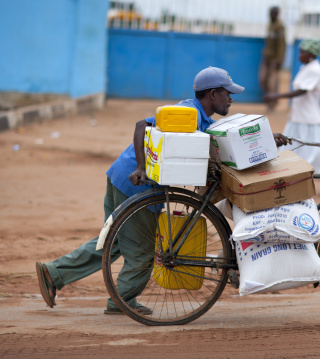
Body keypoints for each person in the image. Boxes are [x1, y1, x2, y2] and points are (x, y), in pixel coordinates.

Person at [36, 66, 288, 314]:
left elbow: (227, 141)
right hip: (136, 183)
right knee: (142, 252)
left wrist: (267, 139)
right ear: (212, 94)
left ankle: (55, 272)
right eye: (227, 93)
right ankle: (121, 301)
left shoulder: (202, 119)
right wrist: (141, 167)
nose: (231, 99)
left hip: (120, 177)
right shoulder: (187, 112)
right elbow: (140, 125)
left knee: (113, 241)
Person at [263, 38, 320, 174]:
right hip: (297, 118)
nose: (299, 55)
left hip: (310, 120)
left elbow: (303, 90)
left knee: (314, 157)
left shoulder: (316, 69)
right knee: (291, 152)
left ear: (311, 55)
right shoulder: (305, 68)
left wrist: (277, 96)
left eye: (302, 52)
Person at [259, 5, 286, 112]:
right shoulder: (270, 24)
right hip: (267, 56)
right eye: (271, 13)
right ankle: (271, 98)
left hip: (275, 58)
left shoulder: (280, 26)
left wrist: (279, 59)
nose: (272, 15)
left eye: (274, 13)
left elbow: (281, 44)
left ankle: (271, 104)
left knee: (272, 83)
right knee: (262, 79)